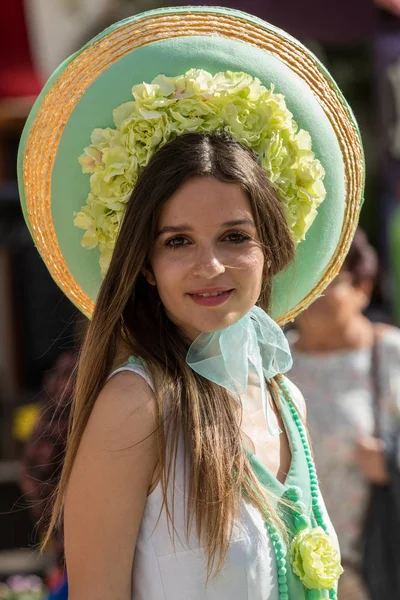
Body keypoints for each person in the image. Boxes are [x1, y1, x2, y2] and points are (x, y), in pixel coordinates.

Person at [17, 6, 364, 599]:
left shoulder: (284, 396)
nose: (210, 267)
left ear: (271, 247)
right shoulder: (136, 404)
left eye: (235, 236)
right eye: (177, 241)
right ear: (145, 266)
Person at [288, 228, 400, 599]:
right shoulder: (273, 367)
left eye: (330, 275)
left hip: (372, 570)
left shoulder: (389, 355)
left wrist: (392, 464)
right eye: (307, 274)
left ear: (362, 287)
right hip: (294, 574)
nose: (315, 289)